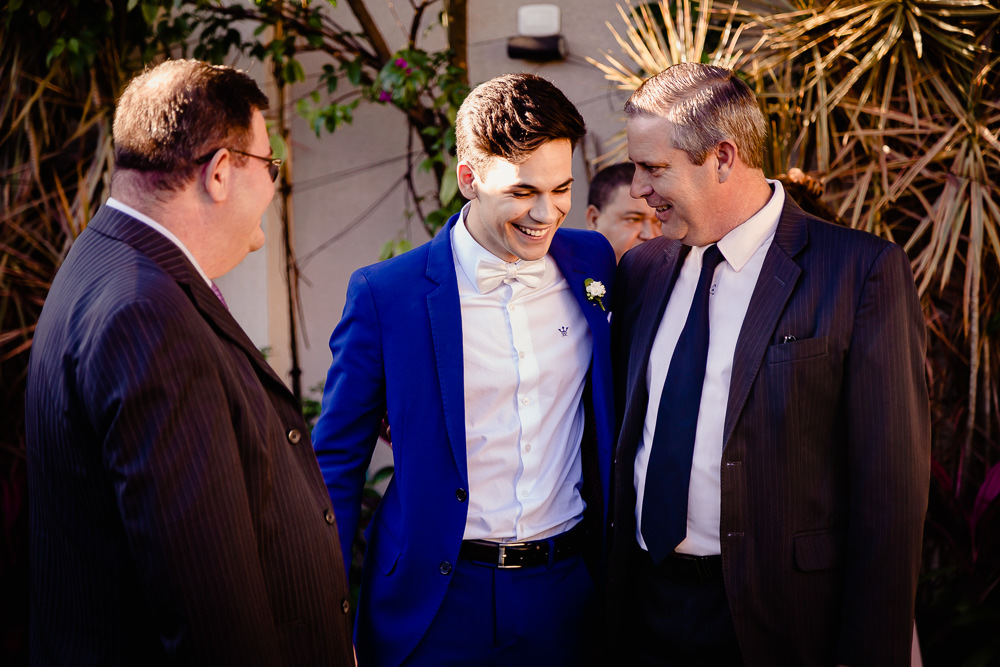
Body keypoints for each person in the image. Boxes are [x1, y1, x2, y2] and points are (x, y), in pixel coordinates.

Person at [25, 59, 354, 666]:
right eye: (268, 166)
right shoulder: (146, 317)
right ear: (221, 172)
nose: (272, 187)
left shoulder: (107, 261)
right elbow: (208, 614)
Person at [609, 62, 929, 666]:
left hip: (780, 623)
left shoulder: (859, 272)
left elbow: (890, 495)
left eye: (654, 168)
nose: (637, 189)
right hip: (643, 610)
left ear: (723, 158)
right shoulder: (642, 271)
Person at [312, 72, 616, 666]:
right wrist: (326, 617)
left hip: (567, 592)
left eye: (562, 189)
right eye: (524, 191)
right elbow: (336, 467)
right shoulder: (386, 295)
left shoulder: (594, 264)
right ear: (470, 180)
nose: (547, 212)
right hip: (437, 597)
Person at [585, 161, 661, 261]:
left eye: (658, 221)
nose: (650, 235)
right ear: (593, 220)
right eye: (633, 219)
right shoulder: (562, 274)